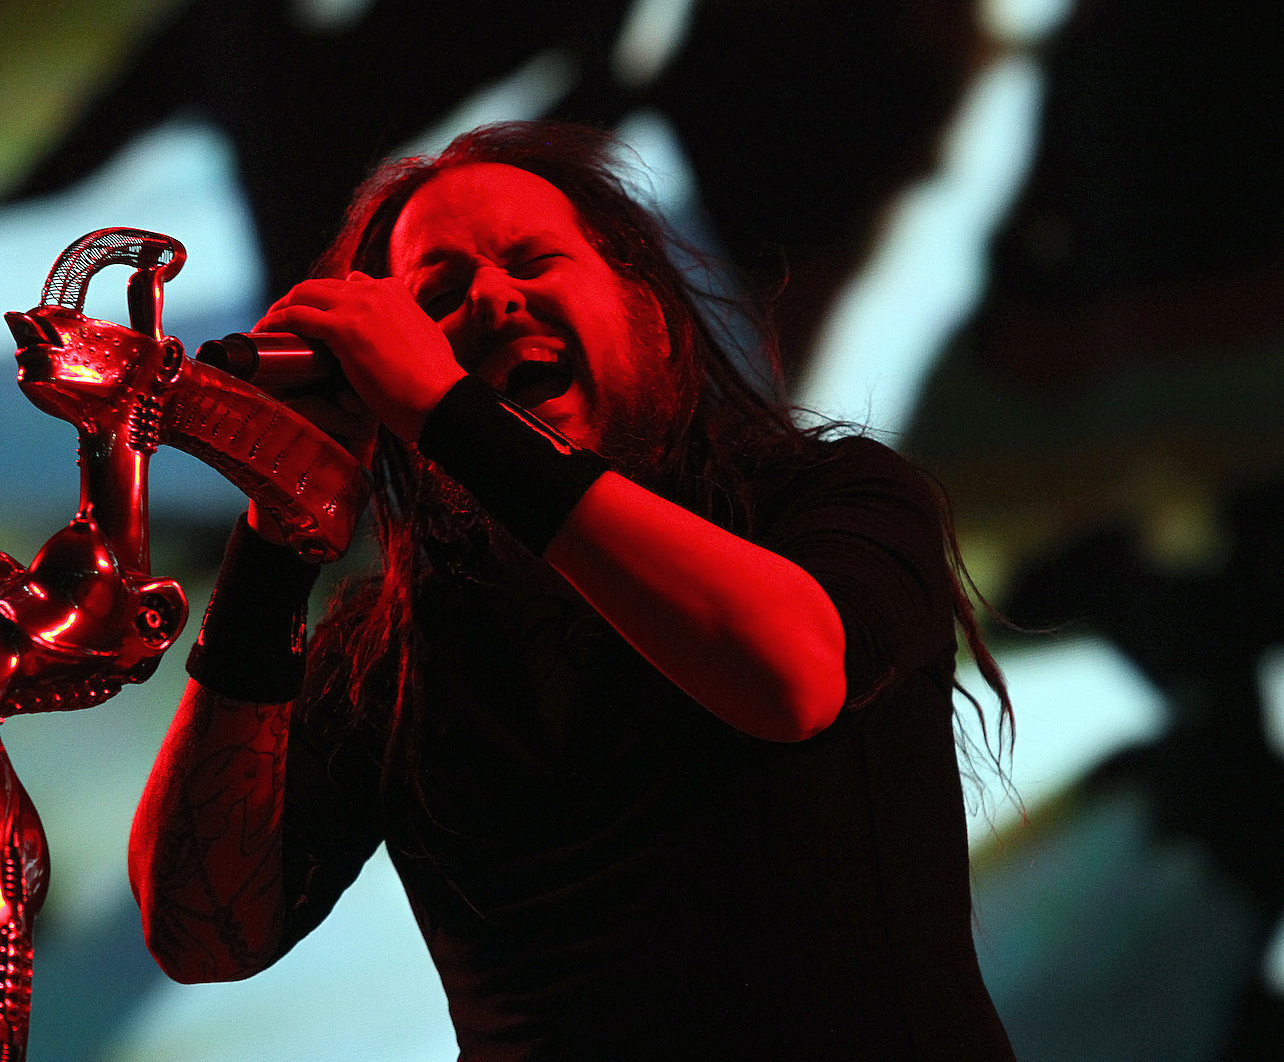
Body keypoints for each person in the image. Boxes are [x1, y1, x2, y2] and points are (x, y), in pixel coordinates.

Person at [128, 121, 1017, 1060]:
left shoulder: (828, 501)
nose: (496, 299)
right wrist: (281, 532)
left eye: (532, 261)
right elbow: (203, 934)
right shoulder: (391, 652)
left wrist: (452, 412)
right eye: (438, 296)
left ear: (655, 321)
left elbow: (789, 675)